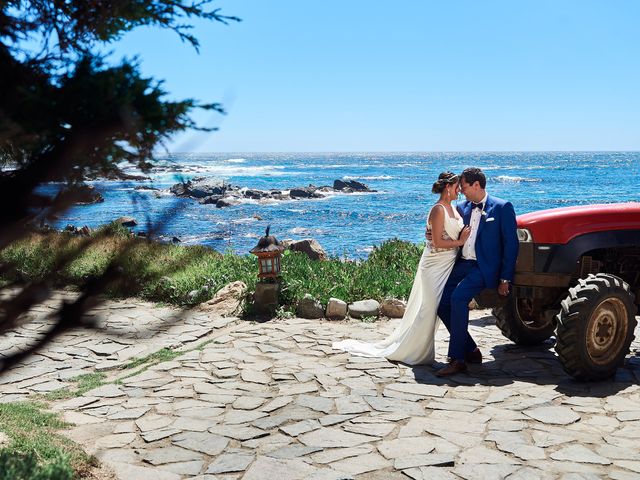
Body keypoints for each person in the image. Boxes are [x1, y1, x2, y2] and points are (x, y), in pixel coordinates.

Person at [332, 172, 471, 365]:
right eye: (457, 187)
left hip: (448, 265)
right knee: (428, 308)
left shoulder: (454, 209)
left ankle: (436, 349)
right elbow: (438, 242)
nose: (460, 191)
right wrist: (460, 241)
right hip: (434, 266)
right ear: (448, 187)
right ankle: (412, 351)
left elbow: (440, 234)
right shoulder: (438, 209)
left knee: (437, 308)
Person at [435, 167, 519, 376]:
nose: (461, 191)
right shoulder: (461, 208)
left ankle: (457, 359)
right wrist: (431, 233)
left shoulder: (502, 207)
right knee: (441, 302)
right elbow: (445, 226)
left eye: (463, 187)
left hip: (484, 268)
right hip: (462, 264)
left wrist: (505, 278)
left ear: (476, 185)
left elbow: (511, 245)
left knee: (458, 298)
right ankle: (470, 349)